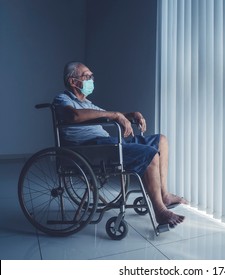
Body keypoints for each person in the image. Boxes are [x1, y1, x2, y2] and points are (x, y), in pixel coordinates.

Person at [53, 61, 186, 227]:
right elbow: (73, 116)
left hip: (108, 143)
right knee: (148, 153)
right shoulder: (62, 99)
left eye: (91, 77)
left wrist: (131, 114)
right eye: (87, 76)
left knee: (161, 141)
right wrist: (115, 115)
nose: (91, 80)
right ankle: (159, 211)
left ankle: (164, 195)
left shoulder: (87, 103)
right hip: (91, 148)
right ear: (73, 81)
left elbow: (106, 115)